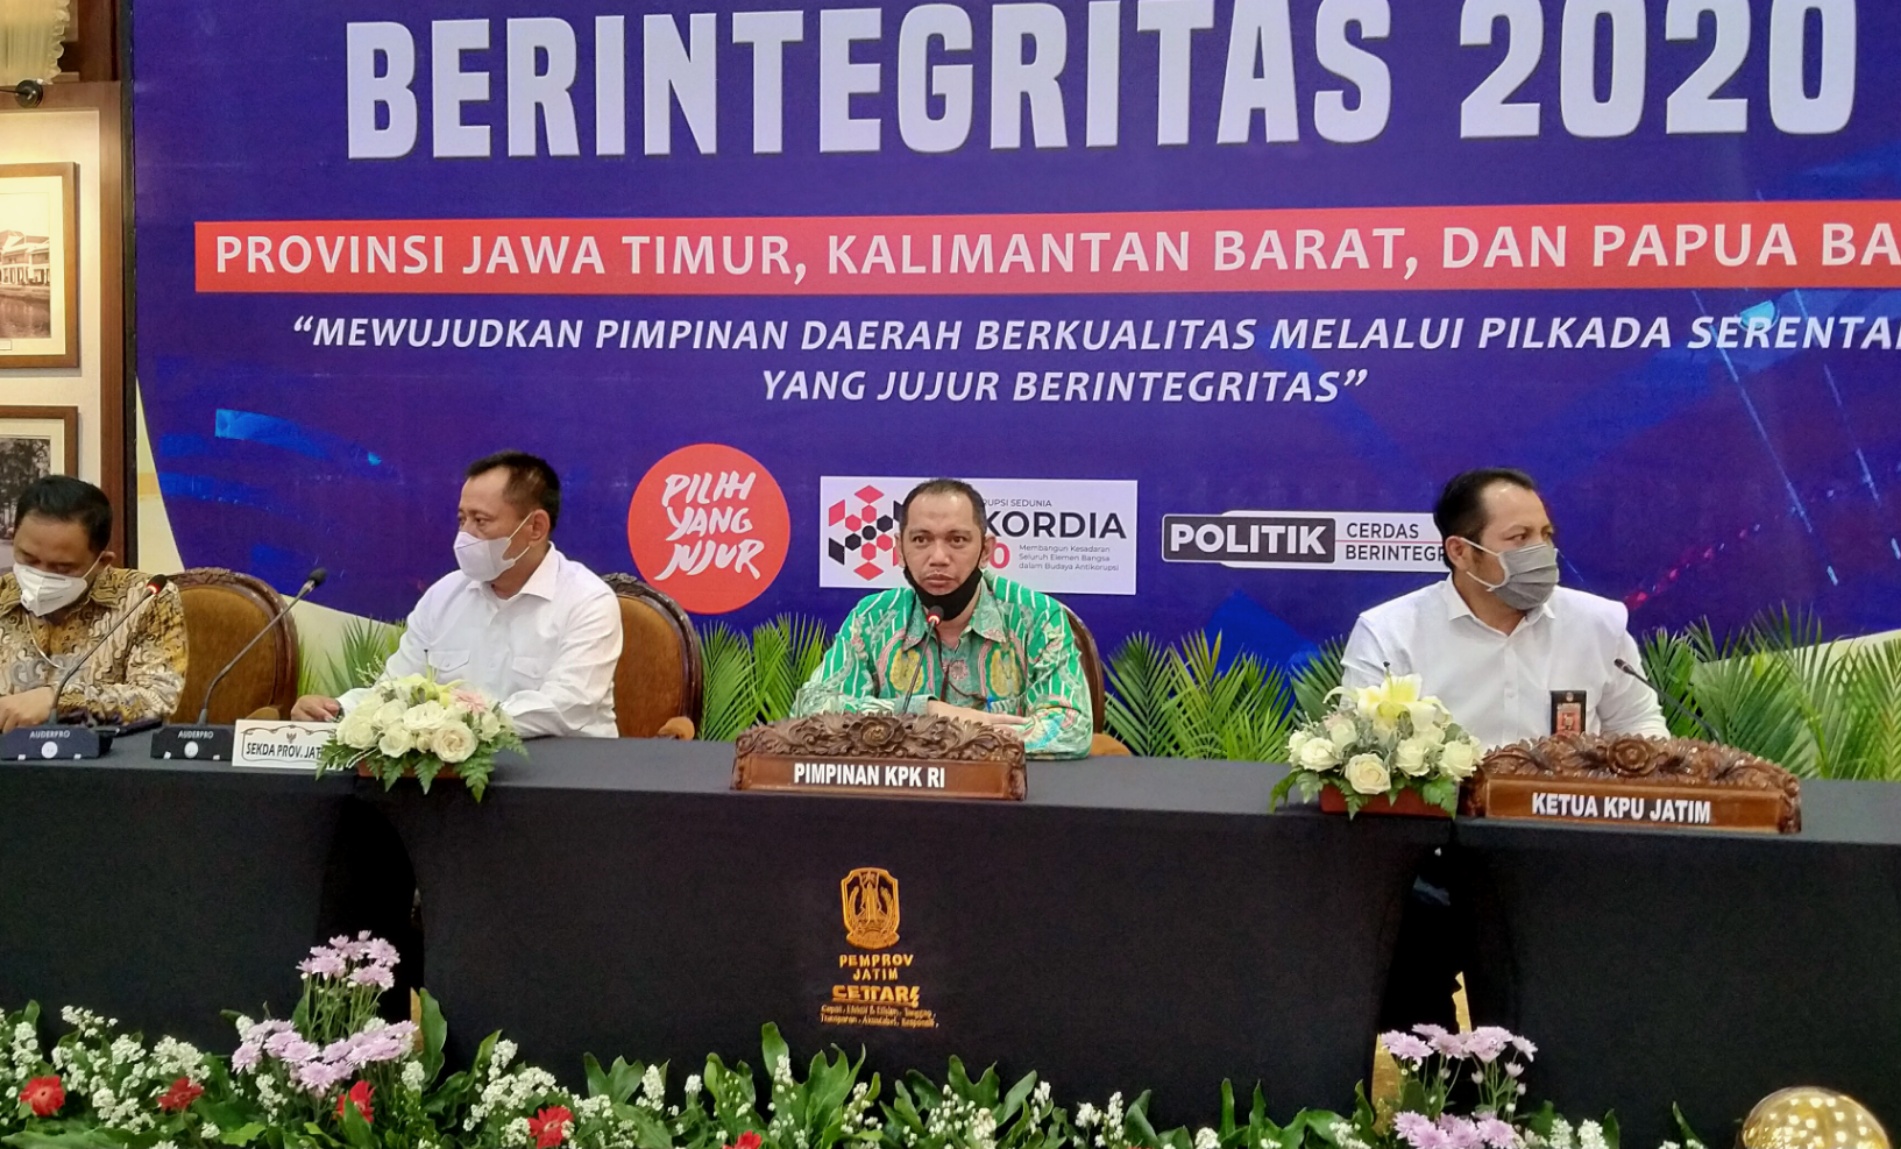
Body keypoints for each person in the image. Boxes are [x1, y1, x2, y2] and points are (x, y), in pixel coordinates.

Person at [291, 451, 622, 737]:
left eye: (481, 521)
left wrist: (449, 724)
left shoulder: (587, 601)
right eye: (462, 519)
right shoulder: (444, 594)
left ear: (535, 528)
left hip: (563, 781)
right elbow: (396, 687)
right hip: (455, 779)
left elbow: (563, 708)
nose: (465, 535)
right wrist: (339, 710)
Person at [1342, 467, 1668, 748]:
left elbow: (1638, 723)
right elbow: (1363, 748)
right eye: (1519, 537)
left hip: (1565, 816)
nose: (1541, 550)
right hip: (1447, 817)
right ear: (1460, 552)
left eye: (1546, 534)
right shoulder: (1389, 633)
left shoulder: (1599, 624)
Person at [793, 479, 1093, 758]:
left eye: (957, 540)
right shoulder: (873, 617)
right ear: (899, 549)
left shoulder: (1036, 617)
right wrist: (927, 711)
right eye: (921, 539)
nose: (938, 557)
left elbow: (1070, 728)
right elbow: (811, 709)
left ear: (986, 550)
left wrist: (953, 731)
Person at [0, 476, 187, 732]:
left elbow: (158, 700)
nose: (41, 575)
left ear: (102, 562)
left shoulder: (145, 600)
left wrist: (59, 700)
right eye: (29, 559)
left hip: (102, 764)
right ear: (12, 539)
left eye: (62, 567)